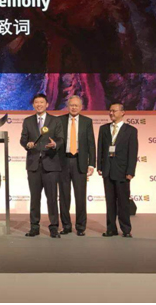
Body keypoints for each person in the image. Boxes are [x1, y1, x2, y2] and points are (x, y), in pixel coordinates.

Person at [20, 93, 64, 238]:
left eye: (41, 102)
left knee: (52, 198)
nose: (39, 104)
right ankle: (34, 227)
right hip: (33, 164)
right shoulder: (28, 121)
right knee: (34, 198)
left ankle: (54, 227)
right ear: (33, 105)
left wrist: (55, 144)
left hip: (51, 164)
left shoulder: (55, 120)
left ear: (47, 104)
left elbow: (61, 139)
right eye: (36, 102)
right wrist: (27, 144)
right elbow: (23, 139)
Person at [97, 102, 138, 238]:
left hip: (122, 171)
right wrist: (100, 166)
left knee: (123, 202)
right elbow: (100, 148)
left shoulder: (131, 130)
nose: (111, 113)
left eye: (114, 111)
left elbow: (133, 152)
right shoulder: (103, 129)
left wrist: (130, 171)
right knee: (110, 202)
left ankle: (126, 229)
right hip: (107, 170)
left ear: (122, 113)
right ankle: (111, 228)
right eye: (110, 111)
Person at [58, 95, 96, 236]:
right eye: (71, 105)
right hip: (63, 161)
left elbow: (91, 144)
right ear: (67, 106)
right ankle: (66, 226)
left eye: (76, 105)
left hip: (80, 162)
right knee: (64, 196)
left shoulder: (87, 121)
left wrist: (91, 164)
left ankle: (80, 227)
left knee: (80, 197)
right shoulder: (59, 120)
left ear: (81, 107)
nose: (73, 108)